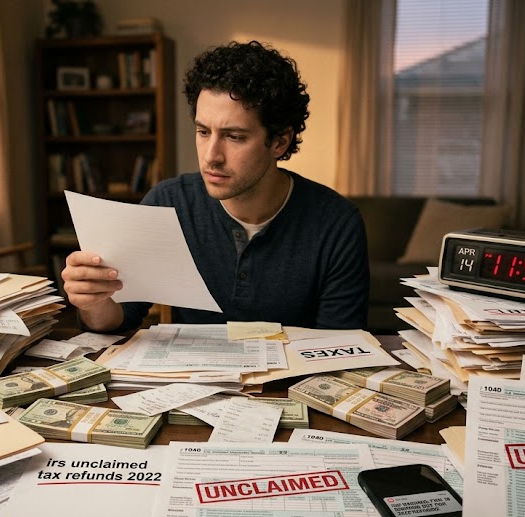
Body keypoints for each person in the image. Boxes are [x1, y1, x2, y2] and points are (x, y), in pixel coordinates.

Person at [62, 40, 369, 332]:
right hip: (193, 383)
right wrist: (93, 301)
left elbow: (341, 346)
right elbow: (120, 317)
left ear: (279, 141)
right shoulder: (169, 203)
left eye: (234, 136)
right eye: (203, 131)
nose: (211, 156)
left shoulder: (337, 224)